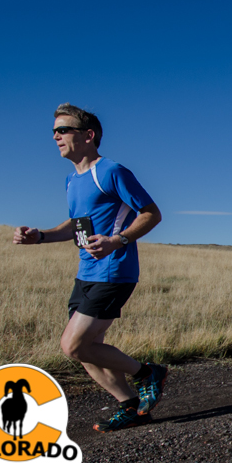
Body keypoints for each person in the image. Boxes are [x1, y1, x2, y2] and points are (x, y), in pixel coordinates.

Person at [14, 103, 167, 432]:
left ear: (88, 135)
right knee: (88, 350)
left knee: (73, 345)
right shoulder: (72, 180)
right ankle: (129, 405)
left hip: (114, 271)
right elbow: (77, 225)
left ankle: (147, 373)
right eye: (54, 131)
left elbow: (151, 214)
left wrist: (117, 240)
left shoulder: (110, 171)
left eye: (63, 130)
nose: (55, 136)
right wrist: (40, 236)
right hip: (85, 274)